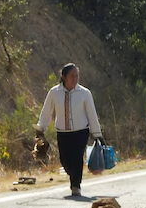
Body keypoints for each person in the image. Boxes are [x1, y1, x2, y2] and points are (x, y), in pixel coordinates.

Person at [35, 63, 103, 198]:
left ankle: (75, 186)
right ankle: (74, 176)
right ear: (64, 76)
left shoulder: (84, 93)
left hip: (81, 132)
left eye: (77, 76)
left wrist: (97, 134)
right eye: (72, 76)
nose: (75, 78)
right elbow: (46, 111)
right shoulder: (54, 92)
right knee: (65, 160)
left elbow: (92, 114)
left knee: (77, 158)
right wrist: (40, 129)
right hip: (63, 133)